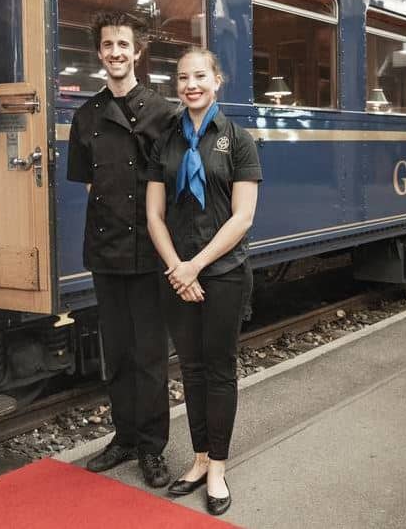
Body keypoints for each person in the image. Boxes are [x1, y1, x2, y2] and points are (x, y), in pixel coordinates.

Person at [146, 47, 262, 516]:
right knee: (191, 370)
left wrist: (195, 266)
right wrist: (179, 267)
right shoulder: (165, 140)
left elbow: (243, 217)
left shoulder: (238, 140)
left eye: (199, 76)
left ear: (217, 80)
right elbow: (154, 215)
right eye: (182, 78)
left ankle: (217, 467)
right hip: (177, 273)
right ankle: (197, 459)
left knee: (219, 369)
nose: (190, 85)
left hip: (224, 273)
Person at [67, 11, 176, 488]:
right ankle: (125, 437)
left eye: (123, 45)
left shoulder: (163, 113)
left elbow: (173, 187)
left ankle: (152, 447)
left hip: (149, 249)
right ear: (99, 52)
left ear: (138, 51)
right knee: (116, 351)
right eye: (108, 45)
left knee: (149, 354)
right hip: (106, 248)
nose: (115, 52)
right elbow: (91, 186)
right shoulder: (85, 115)